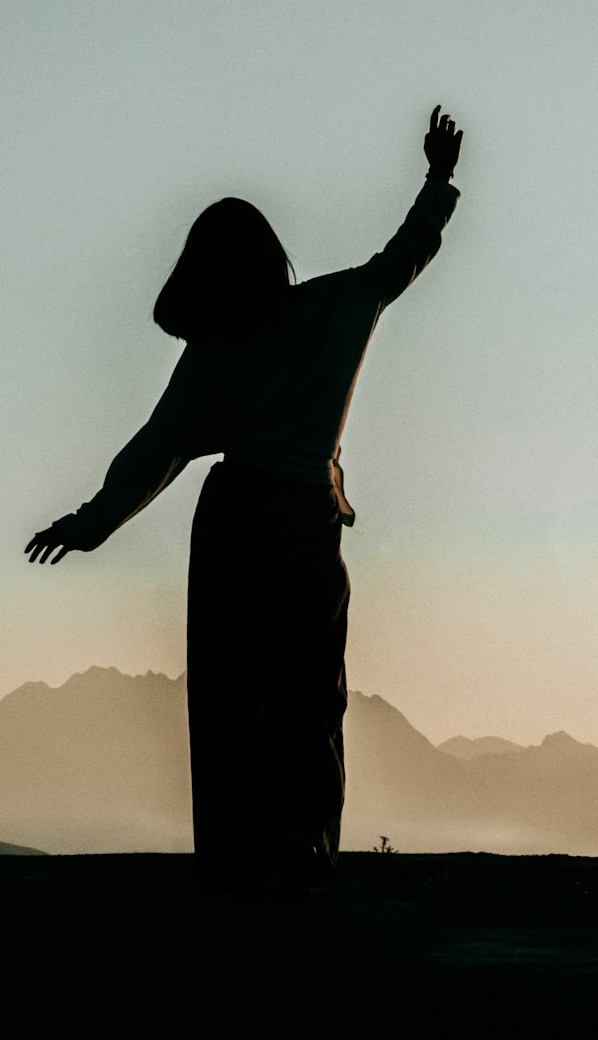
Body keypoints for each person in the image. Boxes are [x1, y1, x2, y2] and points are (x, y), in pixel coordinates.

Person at [24, 107, 463, 900]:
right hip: (306, 522)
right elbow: (403, 258)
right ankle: (305, 847)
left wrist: (89, 525)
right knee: (309, 695)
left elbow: (153, 453)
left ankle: (237, 860)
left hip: (235, 522)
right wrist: (436, 180)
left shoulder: (214, 355)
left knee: (233, 696)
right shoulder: (335, 309)